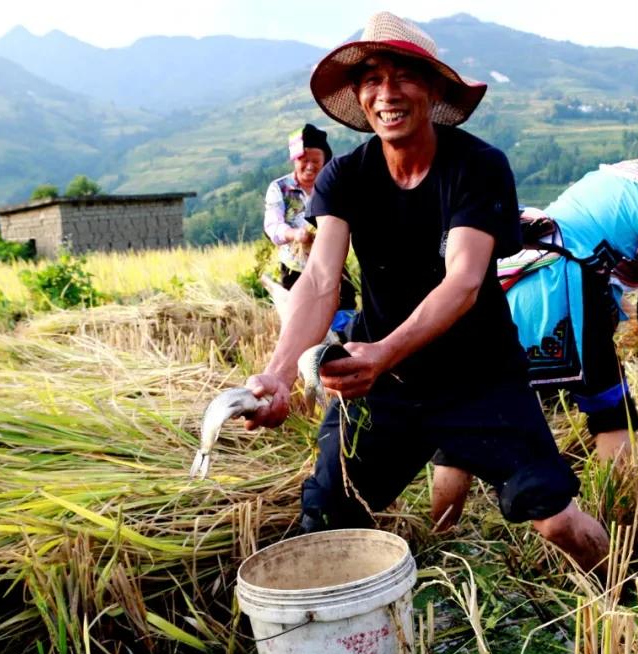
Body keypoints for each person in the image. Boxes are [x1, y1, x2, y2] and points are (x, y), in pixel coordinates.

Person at [243, 11, 610, 572]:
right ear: (358, 95)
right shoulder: (346, 177)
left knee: (555, 516)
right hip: (385, 390)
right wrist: (279, 372)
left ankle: (623, 601)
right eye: (371, 79)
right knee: (328, 520)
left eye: (403, 76)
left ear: (435, 87)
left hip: (480, 379)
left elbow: (462, 281)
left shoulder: (478, 166)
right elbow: (319, 280)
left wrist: (383, 351)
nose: (386, 93)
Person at [432, 114, 638, 530]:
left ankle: (440, 533)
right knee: (613, 411)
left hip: (512, 285)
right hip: (565, 296)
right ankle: (619, 525)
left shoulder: (625, 174)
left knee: (476, 408)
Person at [263, 123, 357, 334]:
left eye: (316, 161)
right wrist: (296, 235)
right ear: (294, 160)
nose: (310, 167)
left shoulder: (332, 186)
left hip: (333, 266)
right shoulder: (280, 188)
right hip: (295, 268)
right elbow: (273, 225)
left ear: (325, 161)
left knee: (345, 317)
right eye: (304, 161)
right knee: (301, 326)